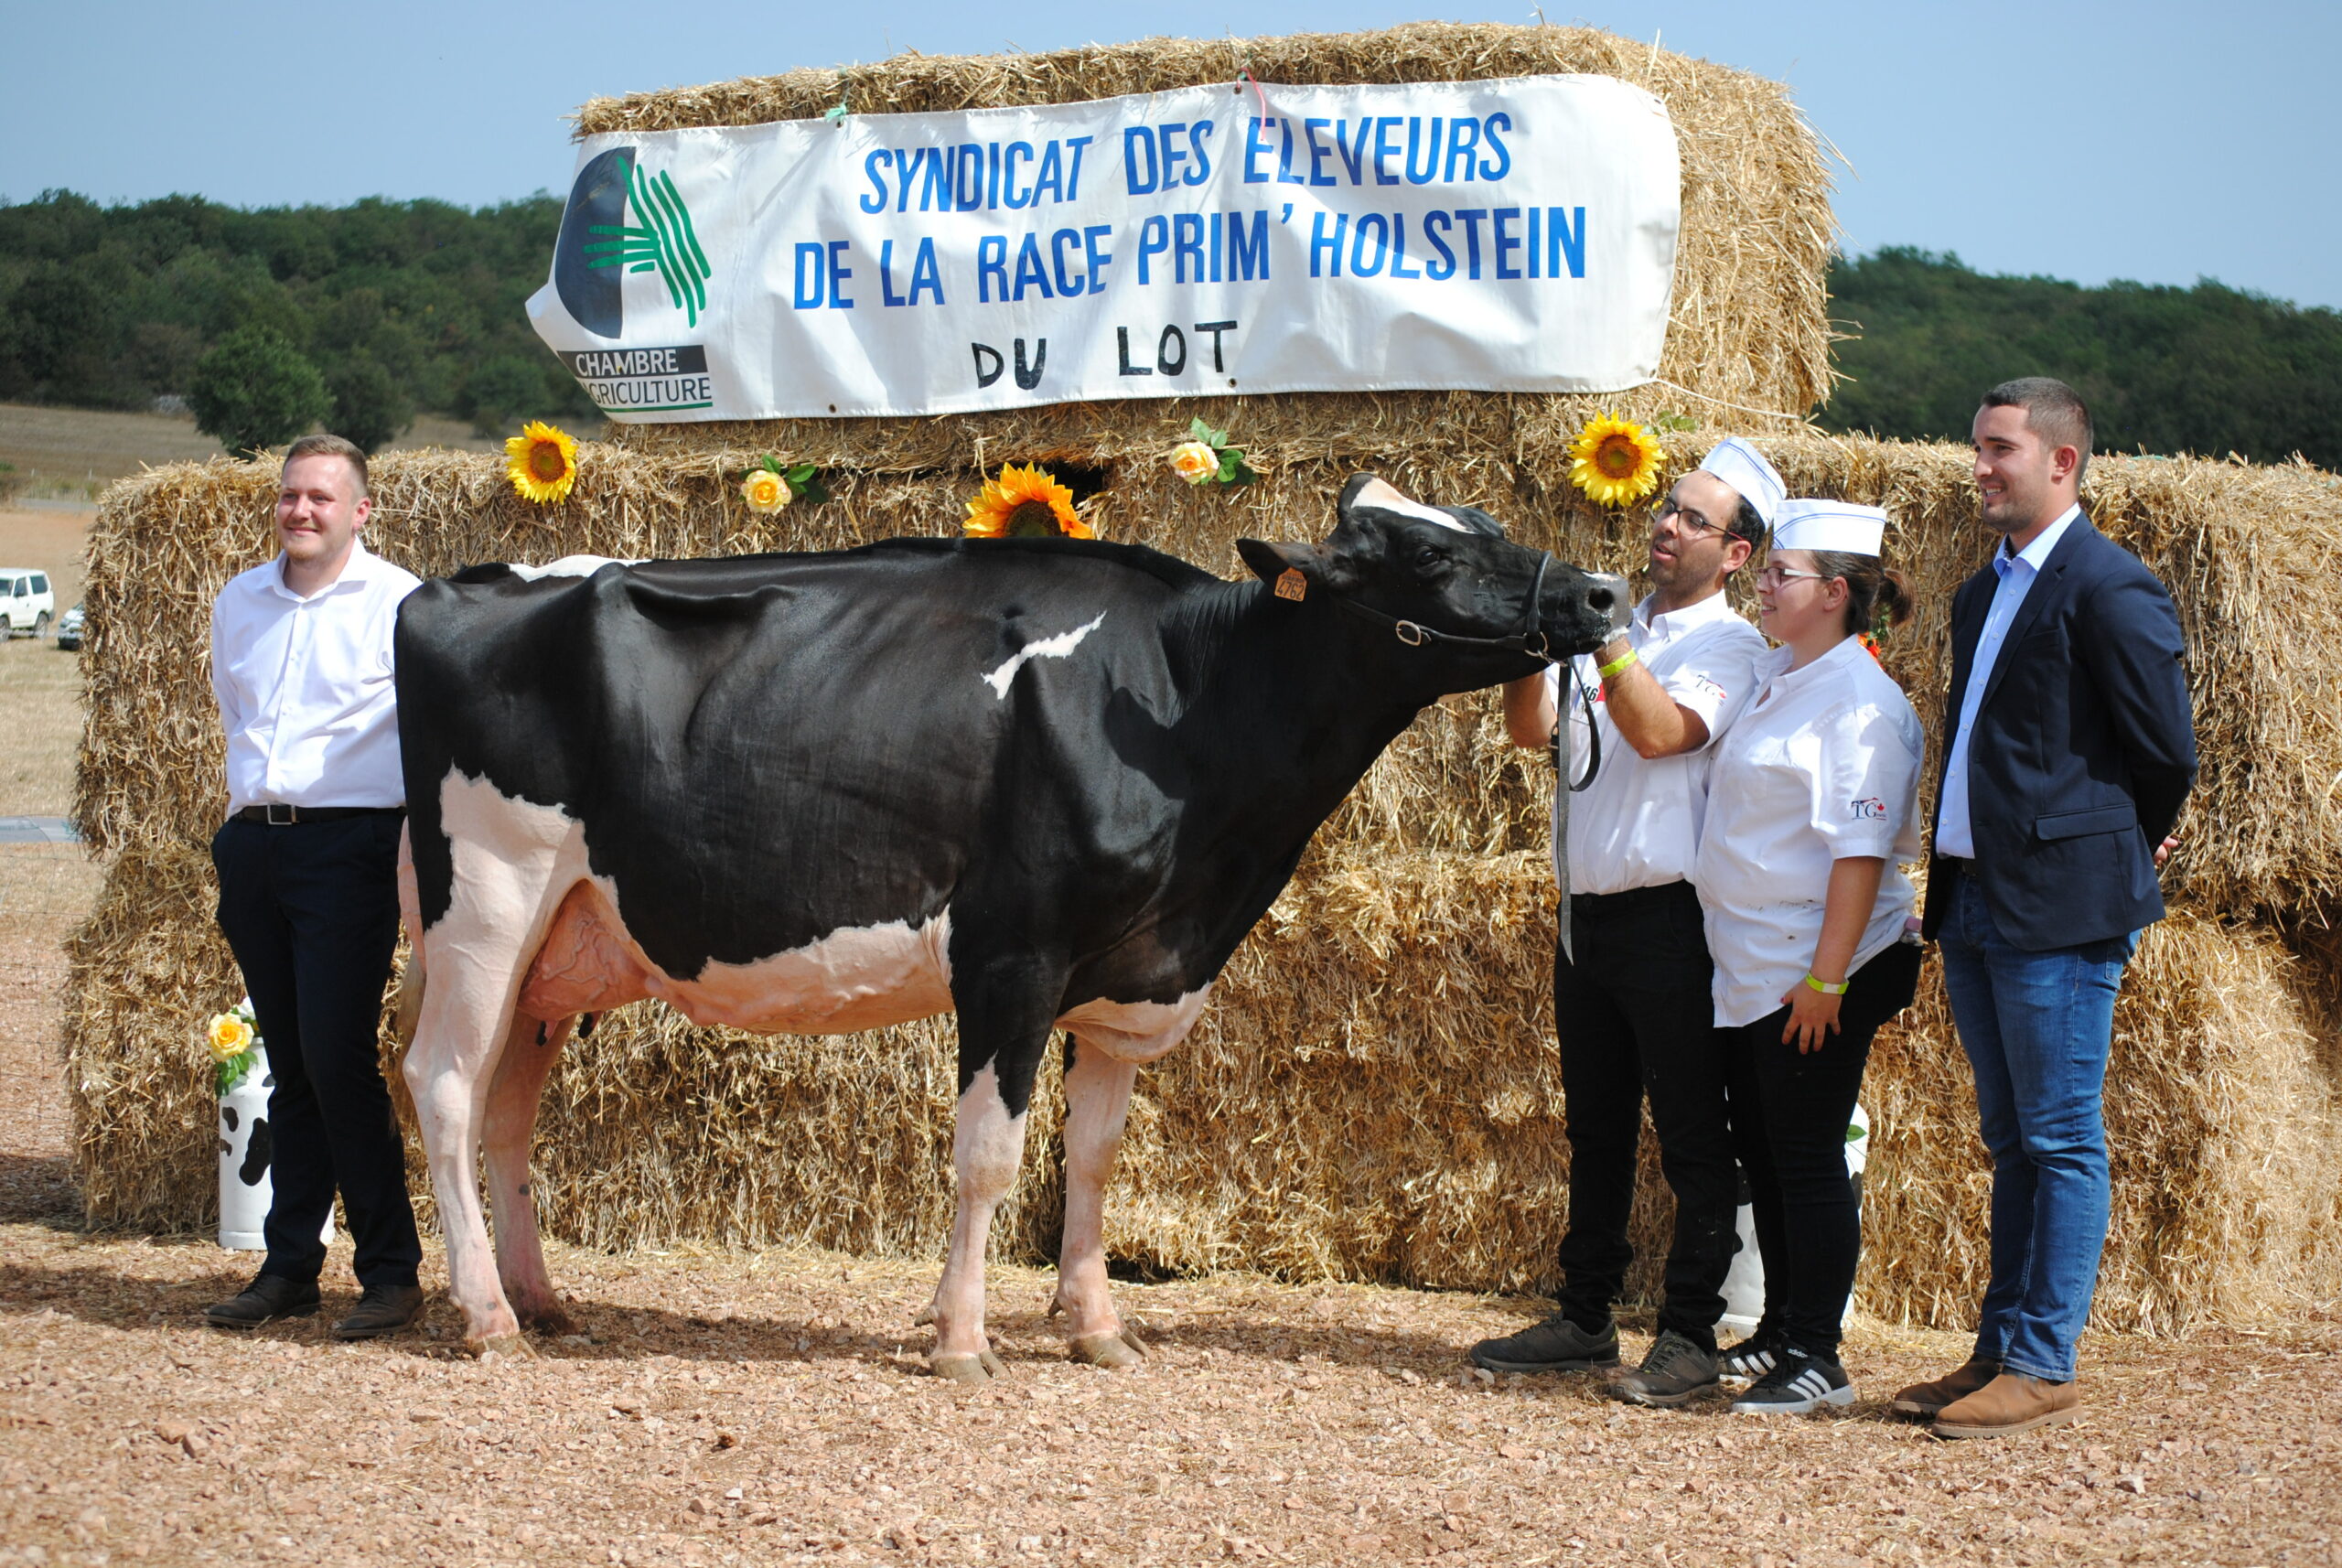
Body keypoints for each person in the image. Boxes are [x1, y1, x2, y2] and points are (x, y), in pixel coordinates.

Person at [1895, 379, 2196, 1439]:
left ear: (2061, 462)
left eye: (1999, 449)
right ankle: (1997, 1353)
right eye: (1976, 447)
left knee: (2061, 1136)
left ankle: (2043, 1360)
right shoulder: (1983, 590)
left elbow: (2166, 750)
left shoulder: (2110, 585)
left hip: (2059, 905)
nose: (1978, 466)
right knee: (2013, 1140)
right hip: (1975, 897)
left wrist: (2118, 840)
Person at [1469, 438, 1779, 1406]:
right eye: (1667, 507)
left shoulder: (1731, 646)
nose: (1666, 525)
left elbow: (1659, 733)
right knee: (1596, 1127)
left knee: (1690, 1132)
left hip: (1670, 917)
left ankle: (1688, 1333)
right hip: (1586, 912)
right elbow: (1531, 729)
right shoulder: (1622, 624)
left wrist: (1602, 637)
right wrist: (1531, 647)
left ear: (1736, 555)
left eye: (1693, 518)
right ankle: (1586, 1314)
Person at [1693, 499, 1925, 1414]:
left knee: (1806, 1154)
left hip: (1820, 966)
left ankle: (1818, 1355)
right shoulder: (1779, 674)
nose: (1761, 584)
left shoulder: (1862, 705)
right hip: (1754, 958)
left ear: (1833, 593)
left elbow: (1859, 858)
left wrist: (1827, 980)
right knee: (1765, 1148)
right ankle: (1780, 1328)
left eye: (1778, 575)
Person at [201, 434, 428, 1340]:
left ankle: (392, 1273)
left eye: (321, 498)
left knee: (337, 1060)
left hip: (350, 846)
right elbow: (236, 713)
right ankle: (290, 1267)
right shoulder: (239, 601)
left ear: (360, 512)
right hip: (254, 847)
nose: (300, 510)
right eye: (291, 494)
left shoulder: (401, 603)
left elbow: (425, 736)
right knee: (291, 1064)